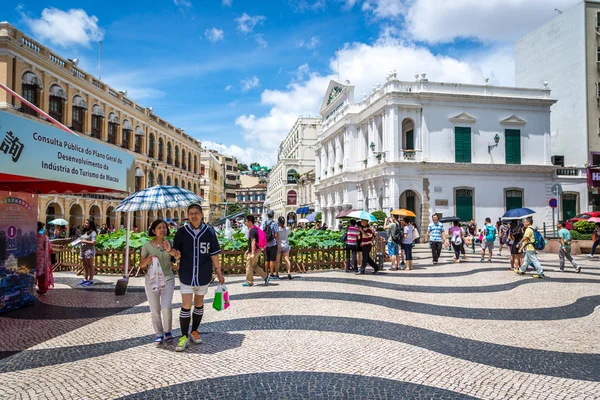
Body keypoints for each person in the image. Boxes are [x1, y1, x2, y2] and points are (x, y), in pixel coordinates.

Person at [172, 204, 225, 352]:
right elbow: (176, 252)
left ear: (202, 215)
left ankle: (194, 331)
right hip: (187, 274)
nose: (194, 216)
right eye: (191, 213)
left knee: (199, 303)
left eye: (196, 213)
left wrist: (218, 271)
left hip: (203, 274)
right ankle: (183, 336)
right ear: (188, 215)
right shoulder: (182, 232)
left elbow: (213, 253)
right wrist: (172, 253)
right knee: (186, 305)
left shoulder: (209, 232)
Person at [140, 219, 179, 345]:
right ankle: (158, 333)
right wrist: (150, 258)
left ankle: (168, 332)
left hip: (168, 278)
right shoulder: (147, 245)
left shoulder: (170, 242)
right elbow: (141, 265)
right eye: (159, 228)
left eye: (164, 227)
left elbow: (177, 256)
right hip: (152, 280)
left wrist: (169, 250)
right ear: (153, 230)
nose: (162, 230)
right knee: (155, 309)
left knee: (166, 307)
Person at [243, 214, 270, 286]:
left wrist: (251, 253)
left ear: (250, 222)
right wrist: (248, 250)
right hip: (258, 250)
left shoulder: (252, 230)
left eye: (246, 221)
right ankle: (265, 276)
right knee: (254, 265)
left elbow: (253, 241)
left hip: (254, 251)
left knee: (249, 266)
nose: (245, 223)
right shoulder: (255, 229)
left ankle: (249, 282)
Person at [36, 222, 54, 295]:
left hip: (32, 256)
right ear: (41, 228)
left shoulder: (30, 235)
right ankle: (42, 288)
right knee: (42, 273)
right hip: (42, 257)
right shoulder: (44, 237)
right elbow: (49, 248)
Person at [78, 219, 97, 287]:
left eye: (87, 223)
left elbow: (94, 242)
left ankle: (91, 280)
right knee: (85, 265)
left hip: (89, 251)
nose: (85, 224)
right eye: (85, 223)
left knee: (90, 265)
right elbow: (81, 239)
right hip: (82, 250)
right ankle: (85, 279)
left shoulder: (93, 232)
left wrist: (84, 241)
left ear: (90, 225)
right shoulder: (84, 232)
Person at [262, 210, 280, 280]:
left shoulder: (264, 223)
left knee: (267, 259)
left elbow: (263, 234)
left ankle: (266, 274)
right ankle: (272, 274)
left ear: (267, 215)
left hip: (266, 244)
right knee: (272, 260)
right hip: (273, 243)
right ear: (273, 215)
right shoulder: (274, 223)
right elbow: (276, 234)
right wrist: (277, 243)